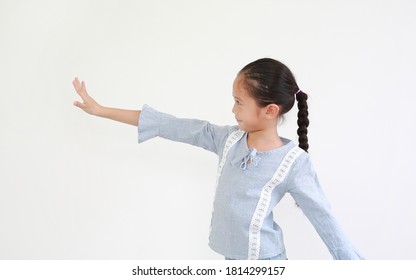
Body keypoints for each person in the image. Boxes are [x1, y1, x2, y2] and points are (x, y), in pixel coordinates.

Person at [72, 58, 363, 260]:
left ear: (270, 110)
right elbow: (170, 125)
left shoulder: (293, 162)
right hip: (229, 258)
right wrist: (101, 110)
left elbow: (325, 220)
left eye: (239, 102)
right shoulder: (228, 139)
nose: (233, 109)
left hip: (266, 263)